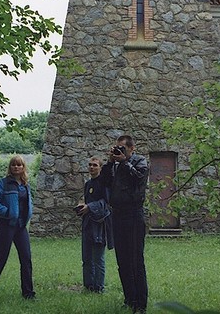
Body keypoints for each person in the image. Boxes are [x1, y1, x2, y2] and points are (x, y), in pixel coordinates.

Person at [100, 134, 149, 314]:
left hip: (134, 215)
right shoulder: (116, 165)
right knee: (123, 261)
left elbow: (138, 179)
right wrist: (110, 162)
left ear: (132, 149)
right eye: (117, 148)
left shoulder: (140, 162)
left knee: (136, 260)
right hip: (118, 215)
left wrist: (124, 162)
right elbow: (104, 181)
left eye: (123, 148)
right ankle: (129, 298)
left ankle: (140, 304)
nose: (120, 151)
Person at [0, 155, 35, 301]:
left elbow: (29, 203)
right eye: (14, 165)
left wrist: (29, 214)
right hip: (6, 225)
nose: (16, 167)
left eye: (19, 165)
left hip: (21, 227)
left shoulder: (25, 185)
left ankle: (28, 294)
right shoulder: (3, 183)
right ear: (10, 167)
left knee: (26, 259)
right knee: (1, 259)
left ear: (23, 167)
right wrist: (7, 212)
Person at [76, 156, 113, 293]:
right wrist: (82, 207)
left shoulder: (104, 184)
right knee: (86, 258)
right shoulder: (88, 184)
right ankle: (88, 286)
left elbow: (106, 202)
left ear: (100, 168)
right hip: (88, 223)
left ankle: (99, 287)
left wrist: (90, 207)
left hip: (100, 225)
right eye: (90, 165)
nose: (92, 167)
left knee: (98, 258)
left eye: (95, 165)